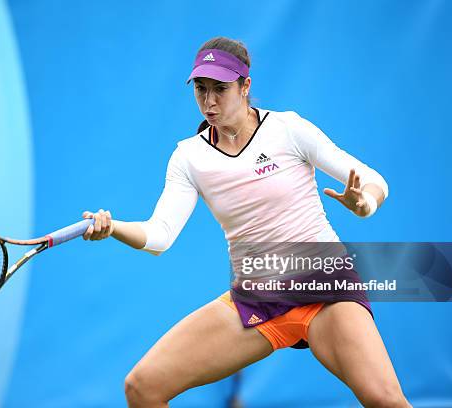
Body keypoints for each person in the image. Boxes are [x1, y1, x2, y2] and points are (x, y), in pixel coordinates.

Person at [82, 37, 411, 408]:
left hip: (324, 285)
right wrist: (114, 228)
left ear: (245, 86)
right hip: (257, 298)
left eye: (220, 89)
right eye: (201, 89)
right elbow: (160, 235)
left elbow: (373, 180)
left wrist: (364, 203)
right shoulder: (188, 158)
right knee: (142, 387)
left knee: (386, 401)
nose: (209, 101)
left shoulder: (287, 129)